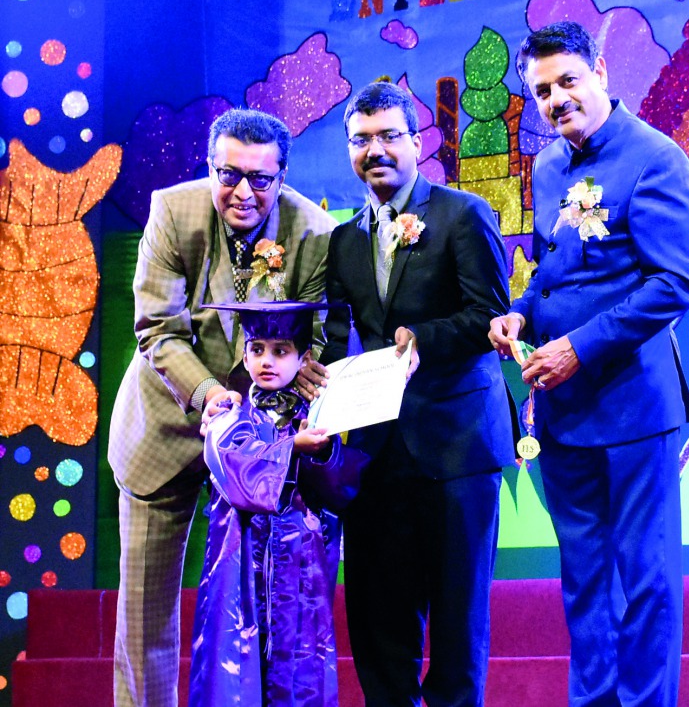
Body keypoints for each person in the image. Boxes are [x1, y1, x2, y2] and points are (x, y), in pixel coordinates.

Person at [488, 22, 689, 706]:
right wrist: (520, 310)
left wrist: (579, 346)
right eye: (542, 90)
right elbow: (558, 274)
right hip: (562, 412)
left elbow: (676, 282)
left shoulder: (656, 157)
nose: (556, 100)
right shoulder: (547, 166)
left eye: (568, 81)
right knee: (583, 580)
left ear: (601, 71)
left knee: (644, 581)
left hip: (634, 408)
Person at [108, 108, 337, 707]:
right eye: (228, 174)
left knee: (254, 616)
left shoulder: (313, 230)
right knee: (144, 619)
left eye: (261, 179)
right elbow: (158, 327)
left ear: (282, 176)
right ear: (209, 167)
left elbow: (312, 335)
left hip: (256, 455)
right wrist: (212, 397)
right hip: (165, 428)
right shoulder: (173, 211)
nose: (243, 192)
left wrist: (294, 380)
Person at [308, 80, 514, 707]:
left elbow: (491, 316)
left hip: (457, 450)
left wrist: (421, 339)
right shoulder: (341, 242)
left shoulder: (462, 214)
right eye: (361, 139)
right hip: (373, 454)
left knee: (456, 626)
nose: (376, 150)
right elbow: (337, 340)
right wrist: (313, 382)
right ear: (348, 151)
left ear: (418, 143)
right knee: (378, 625)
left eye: (390, 136)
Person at [190, 301, 366, 707]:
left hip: (299, 574)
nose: (267, 361)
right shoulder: (226, 416)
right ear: (245, 354)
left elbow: (339, 491)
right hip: (239, 574)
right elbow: (241, 476)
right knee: (234, 671)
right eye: (257, 349)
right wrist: (292, 448)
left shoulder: (317, 415)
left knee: (299, 674)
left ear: (304, 358)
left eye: (281, 350)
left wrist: (321, 454)